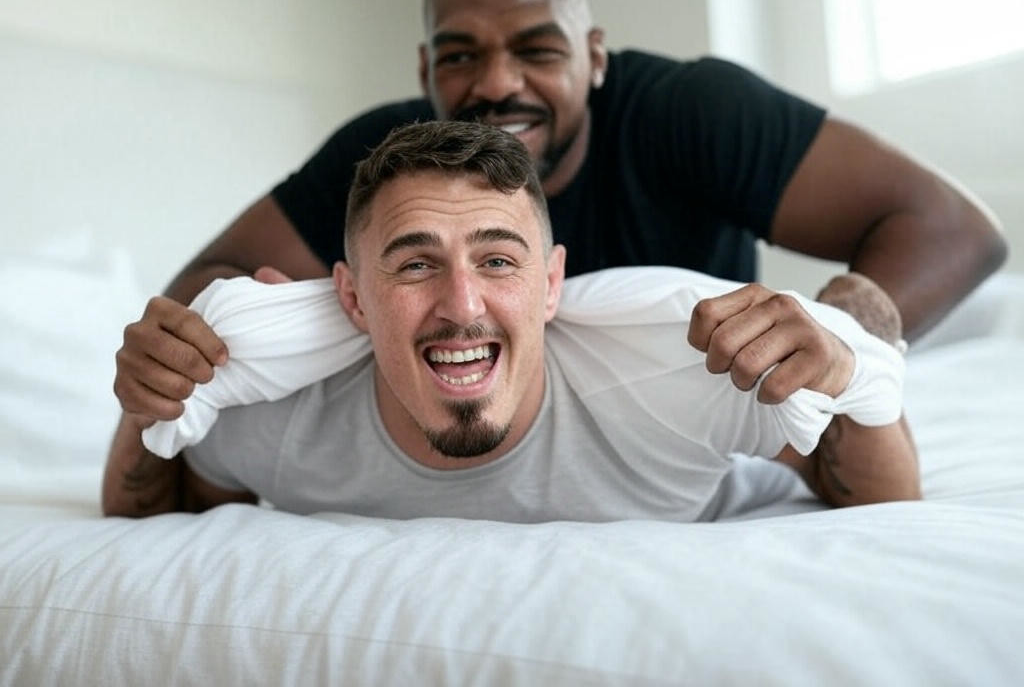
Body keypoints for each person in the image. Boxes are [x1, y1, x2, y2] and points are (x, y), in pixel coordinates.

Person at [112, 0, 1003, 437]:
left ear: (595, 56)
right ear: (424, 69)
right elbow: (207, 279)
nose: (496, 84)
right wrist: (205, 341)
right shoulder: (384, 157)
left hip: (697, 441)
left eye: (537, 49)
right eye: (460, 56)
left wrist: (836, 336)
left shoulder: (689, 112)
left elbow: (954, 229)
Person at [102, 121, 918, 521]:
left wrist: (851, 367)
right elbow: (159, 504)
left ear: (551, 283)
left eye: (497, 261)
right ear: (350, 298)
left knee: (852, 326)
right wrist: (146, 404)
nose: (462, 306)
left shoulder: (676, 370)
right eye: (415, 264)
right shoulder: (284, 411)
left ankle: (854, 312)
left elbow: (878, 494)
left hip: (706, 441)